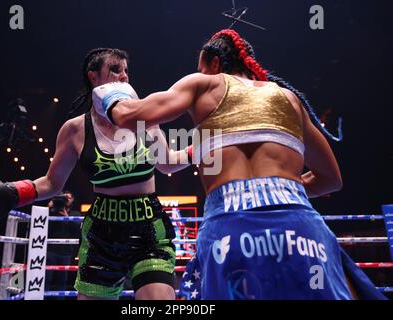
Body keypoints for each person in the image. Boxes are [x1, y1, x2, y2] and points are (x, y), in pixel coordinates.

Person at [93, 30, 386, 300]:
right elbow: (331, 180)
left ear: (214, 62)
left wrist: (110, 96)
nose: (200, 73)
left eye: (202, 67)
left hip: (230, 226)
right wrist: (280, 191)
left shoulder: (203, 84)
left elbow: (130, 116)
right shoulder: (289, 99)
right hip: (300, 227)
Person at [0, 48, 191, 300]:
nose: (124, 76)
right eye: (115, 69)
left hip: (149, 228)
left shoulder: (145, 120)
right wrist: (12, 193)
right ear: (93, 76)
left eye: (126, 71)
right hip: (102, 234)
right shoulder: (75, 129)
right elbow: (52, 183)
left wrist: (205, 145)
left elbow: (168, 163)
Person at [45, 191, 81, 296]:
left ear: (72, 200)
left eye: (69, 197)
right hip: (51, 250)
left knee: (62, 281)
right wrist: (49, 207)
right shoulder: (53, 212)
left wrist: (67, 217)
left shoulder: (75, 214)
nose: (66, 199)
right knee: (47, 278)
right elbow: (43, 223)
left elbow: (77, 231)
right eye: (65, 197)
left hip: (65, 252)